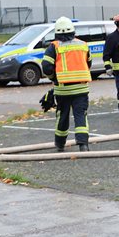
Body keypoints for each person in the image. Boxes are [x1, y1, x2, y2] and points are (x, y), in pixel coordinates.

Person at [41, 17, 92, 152]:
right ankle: (83, 145)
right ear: (73, 31)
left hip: (62, 89)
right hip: (81, 88)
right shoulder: (83, 45)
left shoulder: (54, 46)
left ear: (56, 33)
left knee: (62, 116)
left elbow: (46, 67)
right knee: (81, 115)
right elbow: (89, 63)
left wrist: (54, 78)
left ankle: (60, 144)